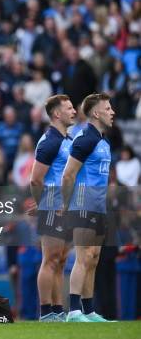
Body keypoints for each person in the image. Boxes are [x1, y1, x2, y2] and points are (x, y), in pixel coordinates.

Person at [61, 93, 115, 323]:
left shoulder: (103, 141)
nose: (112, 112)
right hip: (82, 204)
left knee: (93, 257)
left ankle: (89, 311)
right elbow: (68, 174)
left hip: (98, 206)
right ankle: (73, 312)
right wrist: (66, 204)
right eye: (108, 108)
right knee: (83, 257)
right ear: (96, 113)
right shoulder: (85, 139)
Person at [30, 95, 76, 322]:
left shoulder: (67, 139)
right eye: (69, 108)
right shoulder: (49, 141)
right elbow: (35, 180)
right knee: (49, 259)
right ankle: (46, 311)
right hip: (53, 207)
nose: (74, 111)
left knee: (61, 259)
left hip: (66, 208)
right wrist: (44, 206)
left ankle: (58, 310)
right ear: (56, 114)